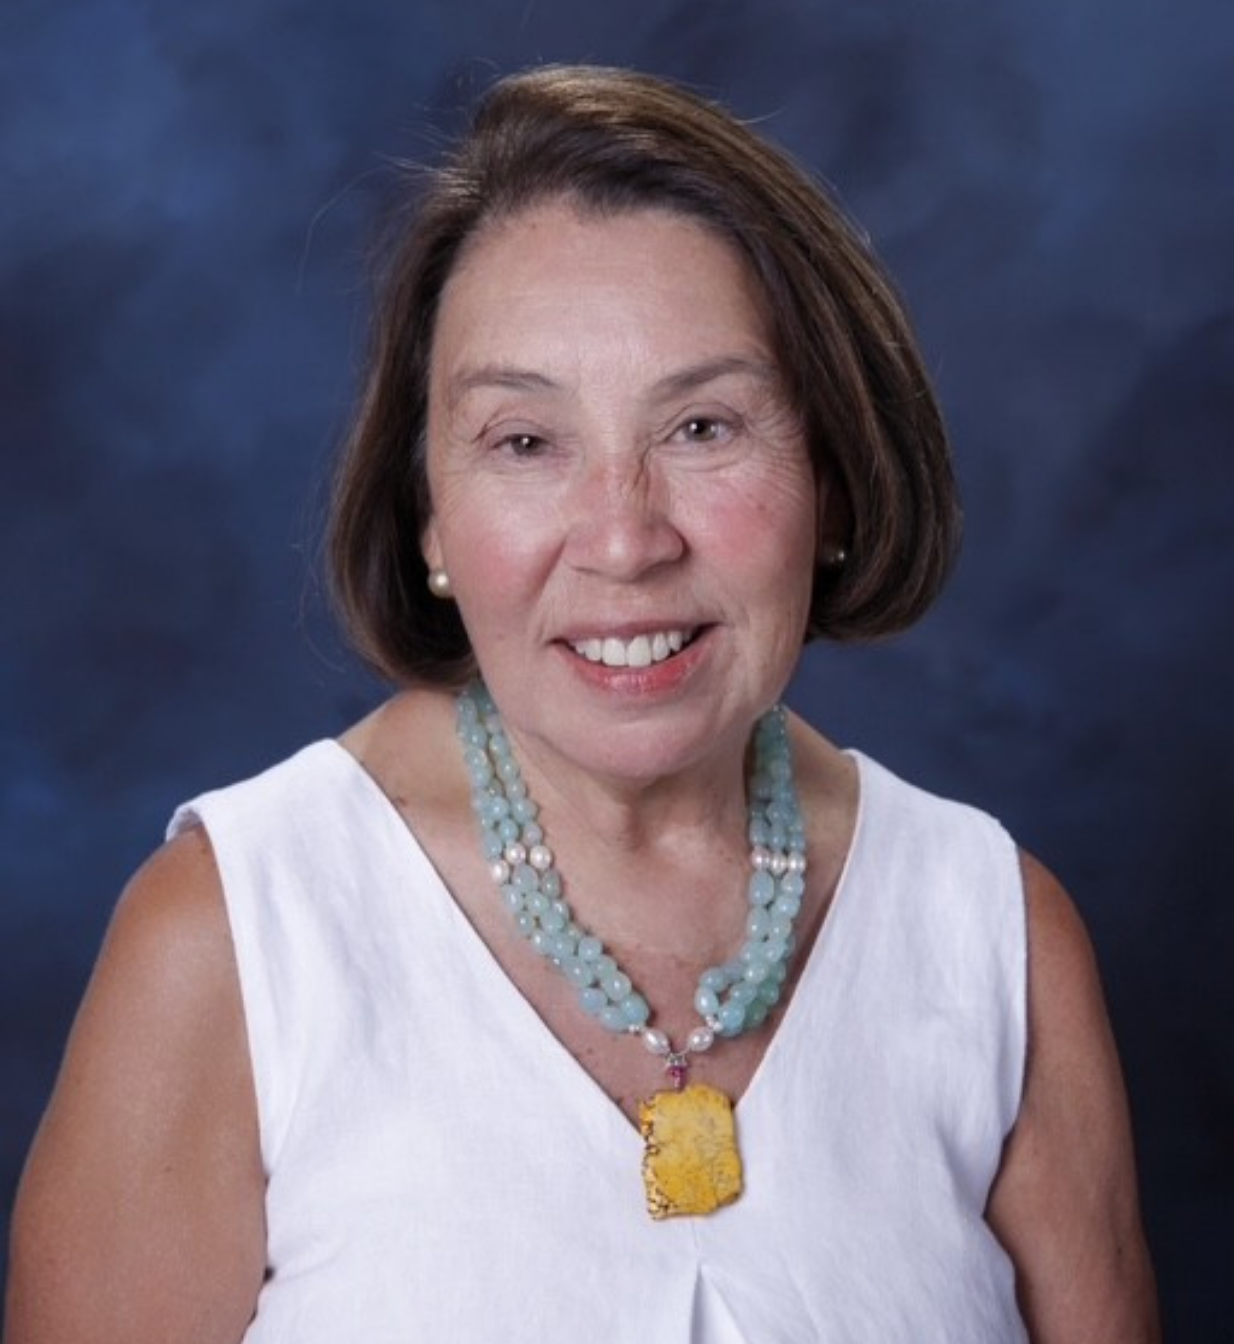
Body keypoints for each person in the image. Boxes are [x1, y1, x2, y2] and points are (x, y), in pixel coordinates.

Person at [5, 65, 1159, 1343]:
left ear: (830, 480)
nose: (623, 539)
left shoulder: (993, 932)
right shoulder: (231, 935)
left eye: (703, 427)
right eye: (525, 442)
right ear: (428, 516)